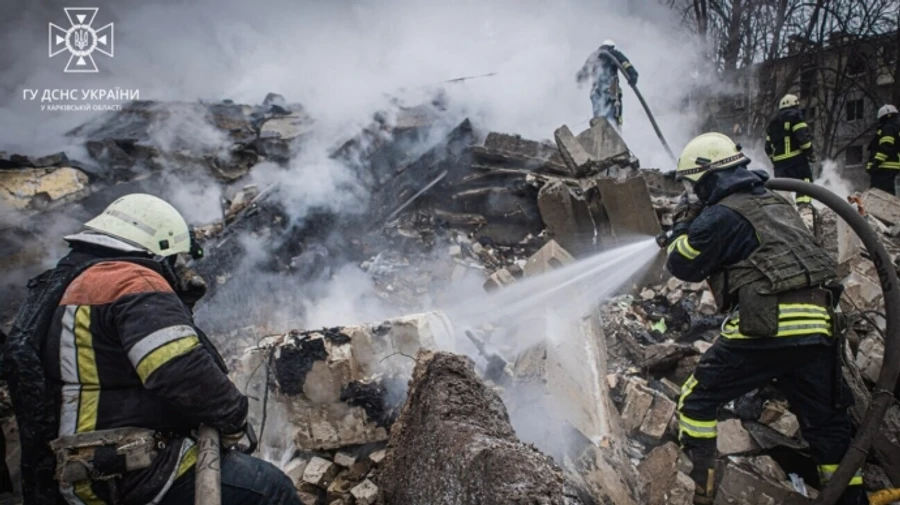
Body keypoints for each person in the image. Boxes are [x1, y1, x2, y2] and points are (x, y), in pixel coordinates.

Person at [3, 194, 299, 505]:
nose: (178, 269)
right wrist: (234, 418)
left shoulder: (68, 282)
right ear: (158, 247)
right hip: (129, 469)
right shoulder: (130, 281)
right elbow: (181, 370)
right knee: (271, 489)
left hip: (80, 468)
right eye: (174, 259)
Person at [658, 133, 864, 505]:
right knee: (828, 426)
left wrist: (683, 225)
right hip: (819, 327)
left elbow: (681, 264)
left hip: (769, 325)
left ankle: (700, 493)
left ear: (708, 177)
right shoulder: (777, 204)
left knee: (697, 400)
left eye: (695, 185)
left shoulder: (720, 214)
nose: (695, 192)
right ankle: (850, 499)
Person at [765, 94, 817, 225]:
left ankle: (783, 216)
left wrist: (775, 160)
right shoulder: (796, 117)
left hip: (780, 165)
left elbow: (767, 148)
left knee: (782, 190)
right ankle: (804, 211)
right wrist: (810, 153)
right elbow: (802, 138)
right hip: (796, 159)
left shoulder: (773, 123)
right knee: (805, 181)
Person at [576, 39, 638, 129]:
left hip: (596, 94)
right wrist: (633, 77)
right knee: (614, 121)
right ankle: (615, 137)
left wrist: (578, 81)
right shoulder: (614, 54)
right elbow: (626, 65)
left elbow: (582, 74)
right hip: (611, 94)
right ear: (612, 47)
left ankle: (601, 138)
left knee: (599, 122)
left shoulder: (594, 56)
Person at [866, 104, 900, 195]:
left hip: (884, 167)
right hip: (888, 167)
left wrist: (875, 163)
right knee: (885, 194)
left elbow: (886, 146)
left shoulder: (888, 128)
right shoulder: (895, 128)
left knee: (881, 194)